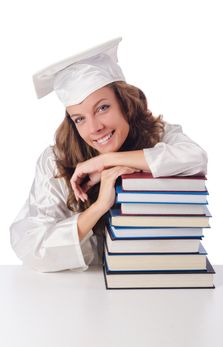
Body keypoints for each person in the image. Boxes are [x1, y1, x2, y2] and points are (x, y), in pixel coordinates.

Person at [10, 37, 208, 273]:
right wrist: (99, 207)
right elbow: (32, 247)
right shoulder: (56, 161)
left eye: (102, 108)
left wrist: (105, 161)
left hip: (155, 277)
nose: (94, 128)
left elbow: (195, 157)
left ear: (125, 103)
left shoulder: (159, 136)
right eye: (79, 119)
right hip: (80, 293)